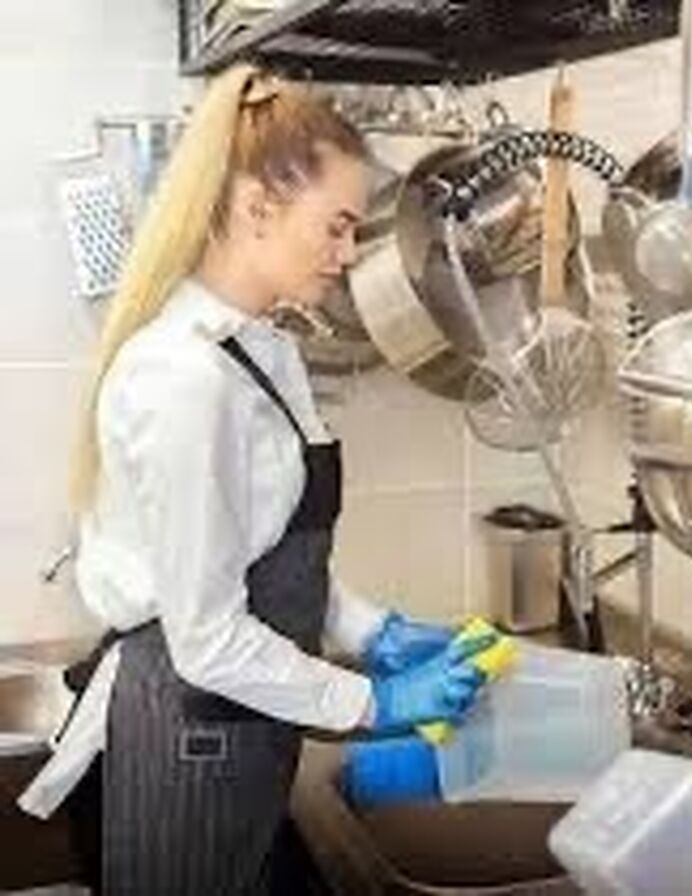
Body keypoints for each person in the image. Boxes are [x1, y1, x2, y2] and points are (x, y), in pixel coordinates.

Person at [18, 64, 492, 894]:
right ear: (256, 207)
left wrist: (372, 631)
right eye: (336, 227)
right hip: (187, 733)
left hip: (240, 725)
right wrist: (377, 703)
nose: (348, 255)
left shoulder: (261, 350)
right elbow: (206, 641)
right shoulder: (185, 376)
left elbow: (263, 554)